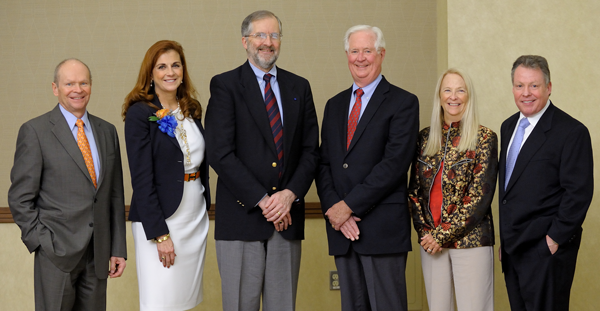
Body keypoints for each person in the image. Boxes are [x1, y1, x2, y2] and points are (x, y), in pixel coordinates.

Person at [205, 10, 319, 311]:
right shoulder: (225, 85)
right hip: (242, 220)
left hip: (287, 219)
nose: (267, 43)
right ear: (245, 41)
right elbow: (220, 152)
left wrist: (289, 195)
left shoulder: (299, 87)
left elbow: (311, 151)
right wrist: (265, 201)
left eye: (274, 35)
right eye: (260, 35)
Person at [8, 58, 127, 310]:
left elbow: (114, 195)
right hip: (55, 254)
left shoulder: (107, 131)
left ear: (91, 86)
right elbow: (19, 198)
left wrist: (118, 248)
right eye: (69, 83)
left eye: (84, 82)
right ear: (55, 88)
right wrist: (42, 242)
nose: (78, 89)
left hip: (99, 253)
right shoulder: (35, 131)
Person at [316, 25, 419, 311]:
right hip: (342, 231)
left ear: (381, 54)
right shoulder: (334, 105)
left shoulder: (403, 102)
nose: (360, 58)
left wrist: (348, 206)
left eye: (367, 51)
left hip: (381, 230)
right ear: (346, 55)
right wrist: (335, 209)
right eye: (354, 51)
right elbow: (323, 163)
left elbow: (394, 165)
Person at [499, 55, 593, 311]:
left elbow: (579, 194)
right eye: (519, 85)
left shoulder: (572, 132)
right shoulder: (508, 127)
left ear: (549, 87)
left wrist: (553, 240)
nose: (526, 93)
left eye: (534, 86)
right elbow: (509, 190)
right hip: (513, 250)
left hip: (545, 251)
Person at [122, 40, 210, 310]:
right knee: (160, 301)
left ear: (183, 70)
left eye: (175, 65)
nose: (170, 72)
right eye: (161, 66)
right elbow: (141, 178)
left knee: (186, 300)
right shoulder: (140, 113)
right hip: (161, 220)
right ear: (150, 74)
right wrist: (160, 235)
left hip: (195, 216)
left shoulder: (192, 109)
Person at [408, 68, 497, 311]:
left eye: (460, 90)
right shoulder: (424, 138)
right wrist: (427, 234)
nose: (453, 96)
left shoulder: (485, 138)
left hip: (471, 242)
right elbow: (414, 192)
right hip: (431, 244)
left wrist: (440, 236)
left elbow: (479, 197)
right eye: (447, 90)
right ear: (439, 96)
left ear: (469, 96)